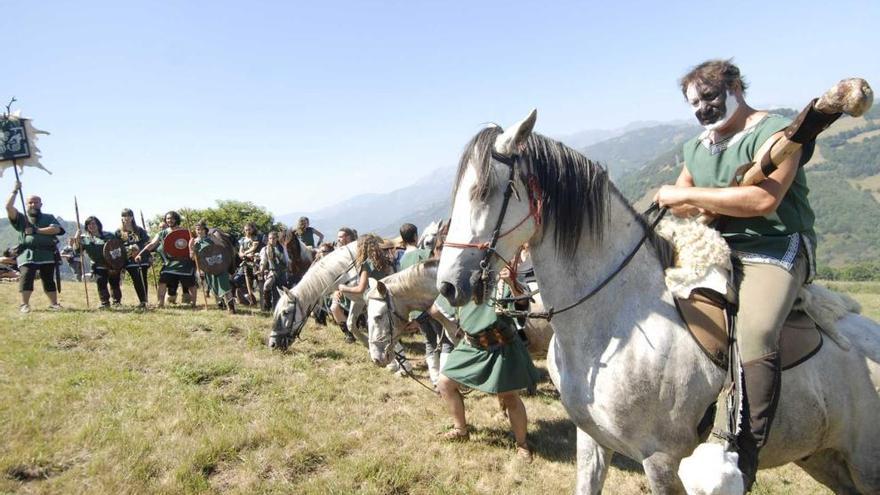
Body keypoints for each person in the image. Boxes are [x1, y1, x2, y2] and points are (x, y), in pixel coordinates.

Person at [653, 59, 817, 490]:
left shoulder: (780, 133)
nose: (704, 108)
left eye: (710, 97)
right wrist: (682, 200)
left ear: (736, 87)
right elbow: (682, 202)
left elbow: (764, 201)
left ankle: (743, 448)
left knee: (758, 331)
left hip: (773, 247)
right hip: (717, 247)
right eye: (695, 103)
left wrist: (685, 194)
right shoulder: (697, 147)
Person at [434, 259, 541, 462]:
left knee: (509, 397)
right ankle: (461, 430)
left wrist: (512, 283)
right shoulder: (464, 276)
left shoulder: (504, 276)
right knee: (444, 384)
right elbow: (442, 302)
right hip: (471, 344)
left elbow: (522, 305)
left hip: (501, 345)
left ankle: (522, 444)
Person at [6, 181, 64, 313]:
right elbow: (8, 207)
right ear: (26, 205)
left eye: (36, 202)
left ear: (41, 204)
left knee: (49, 279)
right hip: (27, 254)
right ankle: (24, 305)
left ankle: (54, 304)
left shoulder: (49, 217)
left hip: (47, 254)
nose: (33, 204)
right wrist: (15, 190)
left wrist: (36, 230)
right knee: (26, 278)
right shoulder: (21, 218)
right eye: (30, 202)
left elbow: (56, 229)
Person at [135, 211, 197, 308]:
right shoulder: (162, 233)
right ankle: (160, 303)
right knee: (162, 281)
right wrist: (141, 254)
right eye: (168, 218)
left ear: (176, 219)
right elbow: (152, 245)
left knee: (190, 283)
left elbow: (195, 243)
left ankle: (193, 303)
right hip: (170, 263)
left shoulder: (186, 232)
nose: (169, 220)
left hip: (185, 262)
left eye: (172, 218)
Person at [74, 216, 123, 308]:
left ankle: (117, 302)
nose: (91, 226)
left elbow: (117, 248)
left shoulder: (108, 235)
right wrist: (77, 239)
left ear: (98, 225)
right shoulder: (84, 238)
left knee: (114, 283)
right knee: (101, 282)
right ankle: (105, 303)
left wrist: (118, 264)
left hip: (112, 264)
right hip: (98, 264)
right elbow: (77, 251)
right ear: (86, 226)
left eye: (93, 223)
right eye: (89, 224)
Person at [190, 220, 236, 314]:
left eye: (202, 229)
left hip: (219, 264)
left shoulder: (211, 237)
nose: (200, 231)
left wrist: (214, 239)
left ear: (205, 230)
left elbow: (222, 247)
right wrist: (192, 249)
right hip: (208, 268)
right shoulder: (194, 242)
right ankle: (221, 304)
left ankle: (231, 308)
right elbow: (192, 258)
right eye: (198, 229)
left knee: (225, 286)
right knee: (214, 287)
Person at [116, 208, 151, 308]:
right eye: (124, 216)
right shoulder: (118, 232)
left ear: (132, 217)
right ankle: (142, 301)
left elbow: (147, 244)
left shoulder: (140, 230)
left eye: (129, 215)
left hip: (141, 258)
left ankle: (144, 301)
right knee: (136, 279)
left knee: (142, 279)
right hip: (128, 259)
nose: (126, 218)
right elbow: (116, 246)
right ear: (121, 218)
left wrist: (148, 256)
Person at [259, 230, 289, 311]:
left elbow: (287, 260)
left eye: (274, 238)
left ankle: (283, 308)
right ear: (268, 239)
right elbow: (263, 261)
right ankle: (267, 305)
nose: (272, 240)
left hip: (283, 272)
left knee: (280, 293)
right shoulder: (265, 249)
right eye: (270, 238)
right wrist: (261, 271)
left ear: (277, 239)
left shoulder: (282, 248)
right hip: (272, 272)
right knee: (267, 286)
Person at [236, 222, 261, 305]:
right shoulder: (243, 240)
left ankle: (264, 301)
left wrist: (245, 253)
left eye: (249, 229)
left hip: (255, 263)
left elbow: (254, 247)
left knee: (260, 282)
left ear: (253, 229)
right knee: (239, 281)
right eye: (246, 230)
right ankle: (249, 298)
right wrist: (242, 254)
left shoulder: (255, 238)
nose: (247, 231)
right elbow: (240, 251)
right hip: (245, 263)